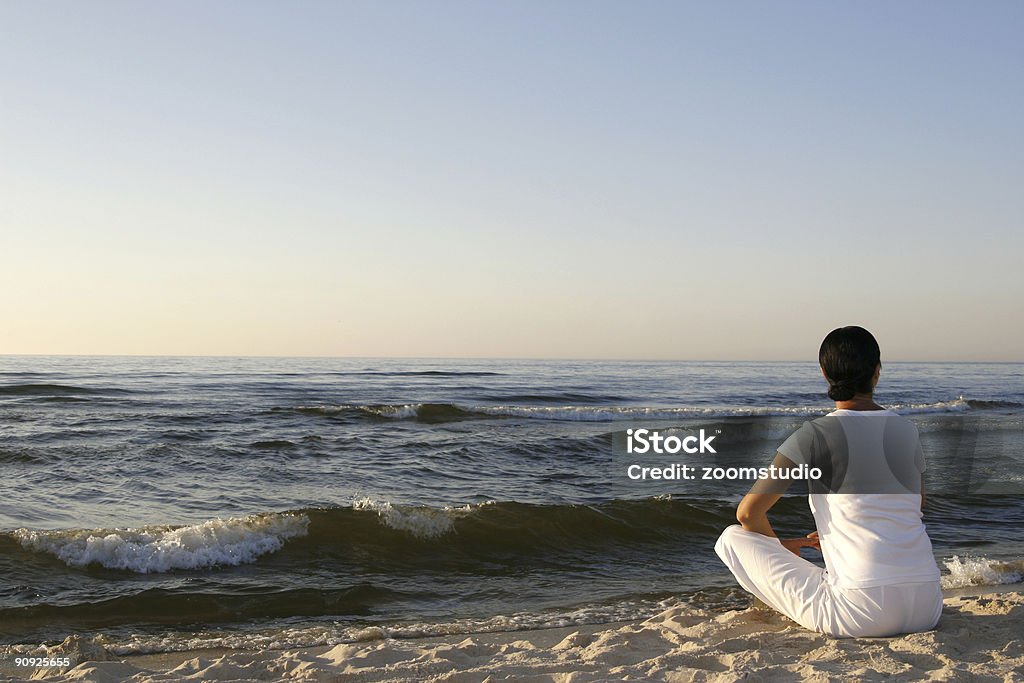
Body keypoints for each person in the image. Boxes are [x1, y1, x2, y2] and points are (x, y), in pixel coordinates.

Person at [714, 326, 942, 637]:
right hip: (928, 606)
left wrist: (781, 548)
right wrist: (839, 534)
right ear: (877, 372)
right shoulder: (906, 431)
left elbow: (748, 513)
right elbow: (916, 504)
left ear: (825, 374)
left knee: (732, 537)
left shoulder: (814, 435)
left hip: (861, 614)